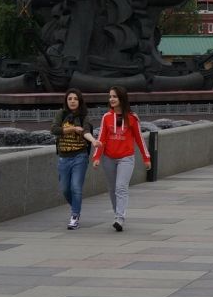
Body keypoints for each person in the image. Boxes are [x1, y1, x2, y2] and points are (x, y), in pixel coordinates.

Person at [90, 85, 151, 233]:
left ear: (122, 98)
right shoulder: (106, 117)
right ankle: (117, 213)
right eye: (110, 96)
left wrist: (146, 157)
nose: (111, 99)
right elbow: (101, 138)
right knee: (112, 189)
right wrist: (97, 157)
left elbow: (139, 139)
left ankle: (120, 218)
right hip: (108, 158)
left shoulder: (132, 118)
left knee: (121, 187)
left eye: (115, 96)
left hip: (126, 158)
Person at [51, 88, 97, 229]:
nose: (72, 101)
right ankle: (76, 207)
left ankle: (74, 216)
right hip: (64, 158)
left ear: (80, 101)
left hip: (79, 156)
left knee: (76, 187)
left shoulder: (84, 116)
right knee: (65, 189)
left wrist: (94, 141)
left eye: (75, 99)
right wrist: (73, 129)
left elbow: (86, 131)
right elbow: (54, 129)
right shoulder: (61, 114)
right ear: (66, 101)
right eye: (70, 99)